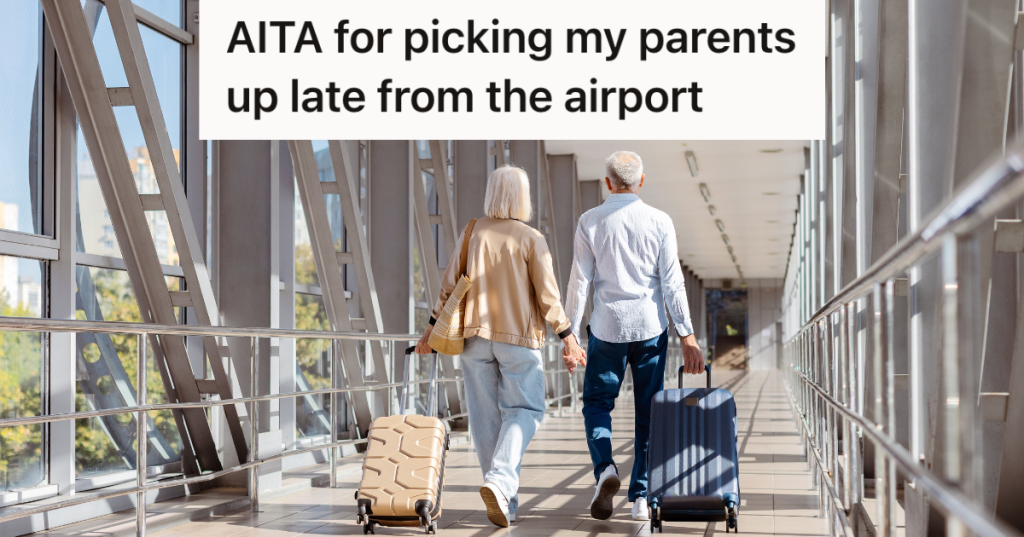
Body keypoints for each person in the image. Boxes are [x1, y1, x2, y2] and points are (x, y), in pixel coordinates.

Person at [416, 165, 587, 528]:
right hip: (518, 340)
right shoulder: (530, 238)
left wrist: (430, 330)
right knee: (525, 410)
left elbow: (448, 287)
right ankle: (499, 481)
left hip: (474, 338)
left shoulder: (472, 231)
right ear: (523, 197)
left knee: (484, 418)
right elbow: (548, 297)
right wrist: (568, 336)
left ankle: (506, 502)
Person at [563, 151, 705, 522]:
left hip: (607, 329)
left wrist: (571, 336)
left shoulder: (589, 221)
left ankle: (606, 469)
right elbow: (672, 282)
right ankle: (641, 496)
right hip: (649, 330)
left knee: (597, 404)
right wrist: (687, 335)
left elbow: (580, 282)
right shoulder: (659, 221)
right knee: (649, 411)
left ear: (608, 182)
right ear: (641, 181)